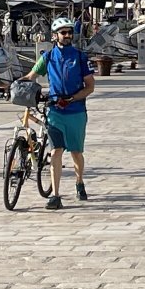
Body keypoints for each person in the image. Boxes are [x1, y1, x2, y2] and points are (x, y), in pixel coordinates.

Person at [28, 16, 96, 209]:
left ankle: (79, 181)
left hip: (75, 110)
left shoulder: (80, 57)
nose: (66, 36)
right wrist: (17, 85)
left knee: (76, 151)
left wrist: (73, 98)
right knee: (56, 150)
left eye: (69, 32)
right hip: (55, 110)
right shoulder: (48, 57)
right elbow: (32, 75)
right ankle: (56, 195)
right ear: (55, 35)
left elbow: (90, 86)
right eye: (63, 33)